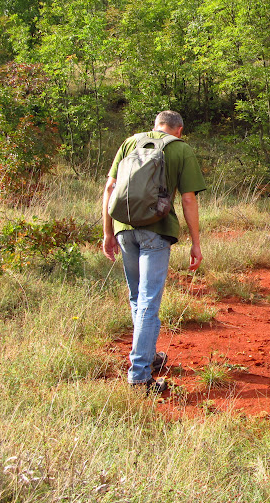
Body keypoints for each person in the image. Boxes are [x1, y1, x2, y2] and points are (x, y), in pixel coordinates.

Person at [102, 110, 206, 396]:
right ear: (179, 130)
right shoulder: (180, 149)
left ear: (155, 126)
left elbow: (110, 188)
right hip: (156, 230)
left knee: (137, 297)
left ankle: (147, 355)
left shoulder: (130, 142)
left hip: (124, 227)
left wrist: (108, 232)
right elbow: (188, 198)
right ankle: (139, 375)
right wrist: (195, 242)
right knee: (149, 300)